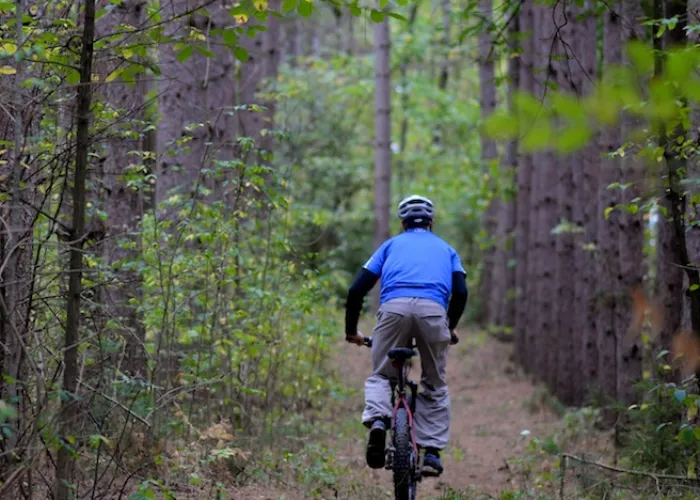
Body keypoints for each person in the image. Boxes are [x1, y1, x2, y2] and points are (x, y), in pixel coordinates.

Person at [344, 194, 468, 477]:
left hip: (393, 311)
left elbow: (355, 290)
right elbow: (461, 292)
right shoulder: (447, 250)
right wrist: (449, 326)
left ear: (402, 223)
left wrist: (352, 331)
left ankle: (378, 421)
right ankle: (432, 455)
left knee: (381, 375)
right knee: (434, 384)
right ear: (431, 222)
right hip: (433, 313)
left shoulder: (389, 246)